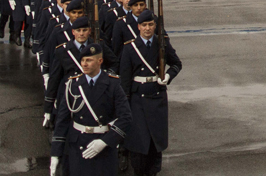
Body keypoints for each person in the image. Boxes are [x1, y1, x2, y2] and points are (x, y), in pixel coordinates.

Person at [49, 41, 131, 176]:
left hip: (103, 146)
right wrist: (55, 154)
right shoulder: (73, 85)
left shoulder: (113, 84)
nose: (84, 64)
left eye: (89, 60)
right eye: (82, 60)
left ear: (100, 61)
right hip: (78, 147)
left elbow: (126, 117)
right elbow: (62, 121)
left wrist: (106, 141)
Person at [120, 9, 182, 176]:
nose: (147, 28)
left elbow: (177, 64)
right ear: (138, 27)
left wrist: (168, 76)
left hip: (156, 96)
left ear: (155, 26)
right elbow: (125, 81)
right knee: (139, 141)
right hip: (137, 99)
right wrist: (123, 107)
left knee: (156, 141)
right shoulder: (130, 48)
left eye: (151, 25)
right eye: (144, 25)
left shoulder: (161, 44)